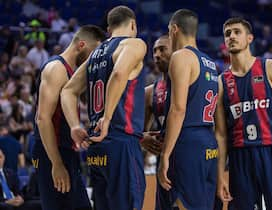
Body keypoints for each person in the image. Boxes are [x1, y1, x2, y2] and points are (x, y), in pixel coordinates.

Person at [60, 6, 147, 210]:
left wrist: (74, 126)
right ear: (133, 24)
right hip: (121, 141)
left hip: (96, 147)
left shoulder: (96, 54)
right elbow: (118, 74)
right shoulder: (134, 44)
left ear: (109, 29)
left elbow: (68, 90)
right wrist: (107, 118)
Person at [215, 17, 272, 210]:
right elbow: (220, 134)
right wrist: (221, 176)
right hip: (240, 158)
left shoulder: (271, 67)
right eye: (227, 34)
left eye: (237, 32)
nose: (231, 37)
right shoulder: (221, 82)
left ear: (250, 38)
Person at [32, 25, 106, 210]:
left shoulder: (71, 73)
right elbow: (42, 119)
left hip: (66, 150)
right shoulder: (56, 68)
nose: (94, 58)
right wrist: (56, 163)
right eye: (94, 52)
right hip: (51, 151)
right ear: (81, 45)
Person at [157, 9, 221, 210]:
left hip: (187, 143)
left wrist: (165, 154)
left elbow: (178, 109)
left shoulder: (181, 57)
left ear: (174, 29)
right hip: (208, 143)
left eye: (169, 31)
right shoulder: (210, 63)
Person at [140, 35, 179, 210]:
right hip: (165, 164)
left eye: (162, 49)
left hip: (192, 158)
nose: (156, 54)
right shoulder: (150, 92)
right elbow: (137, 131)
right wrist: (142, 138)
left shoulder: (193, 84)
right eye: (155, 50)